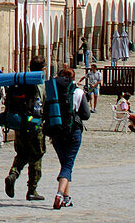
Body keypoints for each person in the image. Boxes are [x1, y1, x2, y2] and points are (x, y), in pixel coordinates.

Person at [4, 56, 48, 202]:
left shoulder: (21, 82)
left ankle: (13, 174)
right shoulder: (40, 84)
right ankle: (32, 189)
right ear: (42, 68)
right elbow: (46, 104)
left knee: (22, 154)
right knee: (36, 156)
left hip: (20, 124)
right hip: (35, 125)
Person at [48, 66, 91, 210]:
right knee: (68, 165)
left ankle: (67, 198)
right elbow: (86, 115)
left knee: (65, 164)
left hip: (56, 132)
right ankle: (60, 194)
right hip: (73, 132)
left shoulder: (53, 93)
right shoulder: (78, 92)